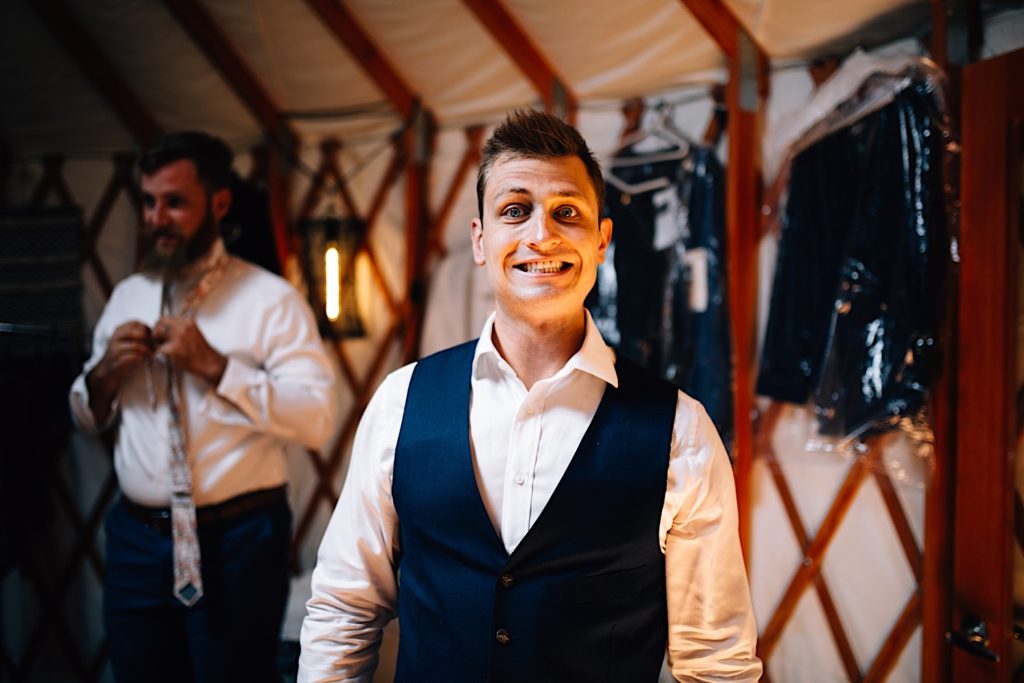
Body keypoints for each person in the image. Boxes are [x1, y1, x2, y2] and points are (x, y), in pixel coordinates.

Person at [299, 111, 761, 681]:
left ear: (601, 241)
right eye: (514, 211)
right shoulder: (402, 402)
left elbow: (715, 659)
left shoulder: (679, 430)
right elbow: (346, 608)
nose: (540, 235)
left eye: (566, 213)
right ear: (480, 239)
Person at [69, 131, 338, 682]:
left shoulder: (270, 301)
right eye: (148, 202)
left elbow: (317, 419)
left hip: (238, 542)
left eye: (174, 202)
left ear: (218, 203)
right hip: (137, 541)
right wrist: (103, 375)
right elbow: (86, 414)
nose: (156, 218)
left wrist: (218, 368)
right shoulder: (127, 296)